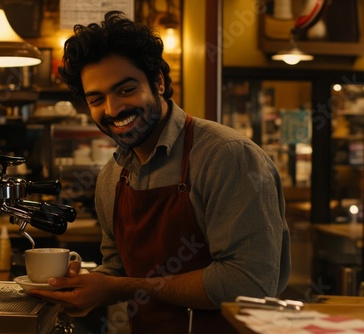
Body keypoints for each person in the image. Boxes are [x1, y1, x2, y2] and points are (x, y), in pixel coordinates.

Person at [31, 10, 291, 333]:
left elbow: (248, 283)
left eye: (126, 90)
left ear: (158, 81)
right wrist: (85, 285)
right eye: (97, 98)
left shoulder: (227, 157)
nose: (113, 110)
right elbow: (119, 270)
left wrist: (117, 288)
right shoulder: (112, 177)